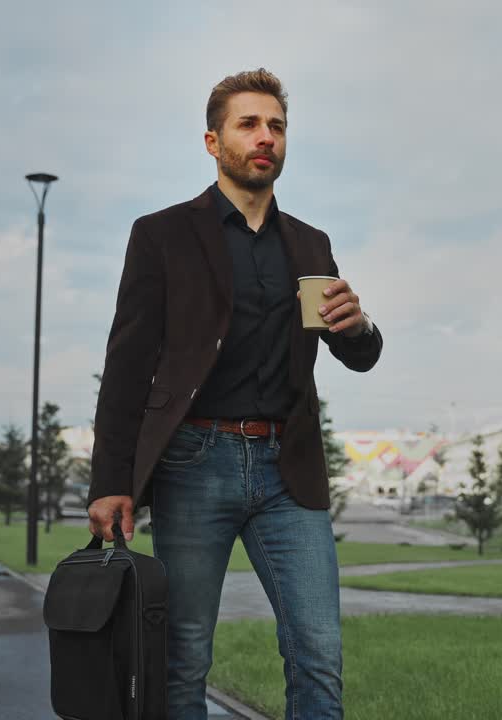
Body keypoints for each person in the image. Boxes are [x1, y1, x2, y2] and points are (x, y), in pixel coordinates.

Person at [86, 68, 383, 720]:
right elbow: (127, 366)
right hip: (194, 462)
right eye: (248, 124)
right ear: (213, 141)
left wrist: (358, 327)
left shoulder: (309, 244)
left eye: (276, 125)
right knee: (184, 655)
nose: (265, 136)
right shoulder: (162, 235)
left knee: (319, 649)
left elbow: (356, 353)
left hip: (288, 470)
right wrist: (110, 481)